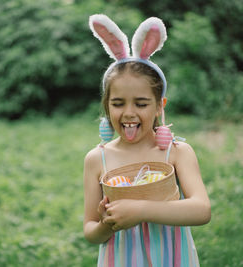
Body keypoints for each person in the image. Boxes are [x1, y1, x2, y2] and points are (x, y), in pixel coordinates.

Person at [83, 14, 211, 266]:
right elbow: (90, 230)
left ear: (159, 106)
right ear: (107, 107)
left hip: (172, 259)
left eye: (141, 103)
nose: (129, 113)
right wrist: (107, 225)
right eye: (118, 103)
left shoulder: (176, 152)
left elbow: (201, 210)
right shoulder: (97, 159)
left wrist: (140, 210)